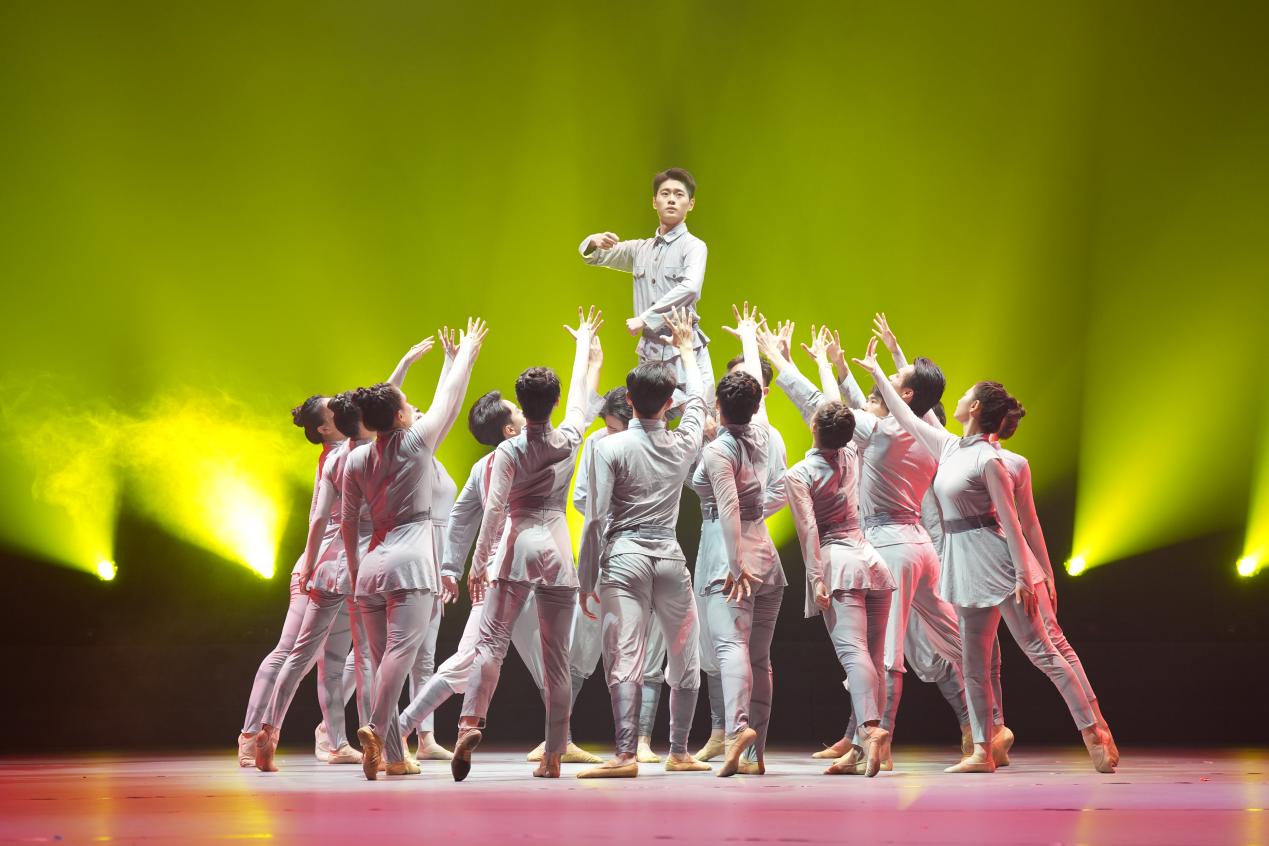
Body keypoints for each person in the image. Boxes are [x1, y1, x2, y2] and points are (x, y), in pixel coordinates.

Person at [855, 339, 1114, 774]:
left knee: (1041, 651)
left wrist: (1026, 576)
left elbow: (1012, 522)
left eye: (964, 395)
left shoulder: (991, 461)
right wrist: (879, 370)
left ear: (974, 408)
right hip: (964, 565)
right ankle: (981, 749)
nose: (956, 398)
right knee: (973, 662)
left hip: (998, 563)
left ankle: (1094, 731)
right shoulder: (948, 446)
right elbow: (908, 414)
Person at [758, 316, 970, 772]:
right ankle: (985, 725)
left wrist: (781, 360)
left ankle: (875, 741)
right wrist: (849, 365)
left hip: (886, 547)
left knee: (884, 656)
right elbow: (877, 403)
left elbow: (825, 406)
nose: (885, 386)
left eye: (894, 381)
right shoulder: (929, 430)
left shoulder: (875, 436)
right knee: (954, 643)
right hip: (917, 547)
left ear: (903, 395)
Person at [450, 308, 605, 781]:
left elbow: (494, 511)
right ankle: (554, 755)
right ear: (552, 402)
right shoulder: (570, 435)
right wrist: (585, 346)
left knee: (490, 645)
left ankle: (469, 725)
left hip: (516, 547)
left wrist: (478, 564)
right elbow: (580, 397)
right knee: (556, 660)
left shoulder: (508, 450)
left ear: (521, 404)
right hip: (556, 548)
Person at [343, 317, 488, 780]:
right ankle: (374, 728)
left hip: (371, 566)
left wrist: (354, 573)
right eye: (407, 404)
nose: (413, 407)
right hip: (410, 563)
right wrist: (466, 353)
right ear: (403, 417)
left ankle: (393, 756)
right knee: (399, 659)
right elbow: (450, 401)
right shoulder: (415, 443)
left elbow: (348, 523)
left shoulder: (356, 458)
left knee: (384, 663)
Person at [575, 308, 712, 778]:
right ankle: (680, 750)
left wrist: (585, 578)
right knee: (684, 653)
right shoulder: (682, 442)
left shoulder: (606, 447)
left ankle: (626, 755)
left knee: (625, 655)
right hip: (670, 558)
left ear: (629, 400)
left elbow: (595, 519)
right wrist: (688, 350)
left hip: (625, 558)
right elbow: (700, 399)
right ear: (669, 403)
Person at [254, 390, 379, 770]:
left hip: (327, 567)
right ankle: (375, 739)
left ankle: (270, 728)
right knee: (364, 659)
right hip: (361, 568)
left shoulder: (334, 459)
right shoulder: (374, 455)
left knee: (301, 655)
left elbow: (319, 518)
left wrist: (309, 564)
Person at [693, 304, 788, 777]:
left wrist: (734, 565)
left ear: (717, 405)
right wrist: (751, 339)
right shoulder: (765, 433)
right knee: (760, 657)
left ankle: (737, 732)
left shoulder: (717, 450)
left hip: (730, 554)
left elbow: (728, 509)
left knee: (731, 649)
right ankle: (755, 754)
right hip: (766, 554)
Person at [989, 435, 1119, 766]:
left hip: (1013, 563)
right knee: (982, 654)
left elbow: (1029, 521)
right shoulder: (952, 452)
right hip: (974, 563)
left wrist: (1046, 574)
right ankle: (990, 735)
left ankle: (1097, 724)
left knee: (1050, 643)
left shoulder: (1012, 462)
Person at [237, 394, 342, 766]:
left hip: (345, 571)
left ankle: (333, 739)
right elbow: (318, 521)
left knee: (339, 661)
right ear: (324, 428)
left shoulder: (354, 449)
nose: (344, 407)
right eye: (335, 408)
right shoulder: (335, 456)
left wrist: (404, 367)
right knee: (290, 652)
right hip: (319, 567)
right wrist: (309, 565)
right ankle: (251, 735)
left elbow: (377, 405)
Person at [579, 167, 714, 403]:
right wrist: (593, 241)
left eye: (679, 194)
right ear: (654, 201)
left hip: (685, 346)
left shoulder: (694, 246)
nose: (671, 199)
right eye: (665, 193)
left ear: (691, 204)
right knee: (647, 416)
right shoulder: (639, 249)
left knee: (702, 414)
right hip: (650, 351)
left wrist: (645, 318)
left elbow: (691, 288)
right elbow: (597, 257)